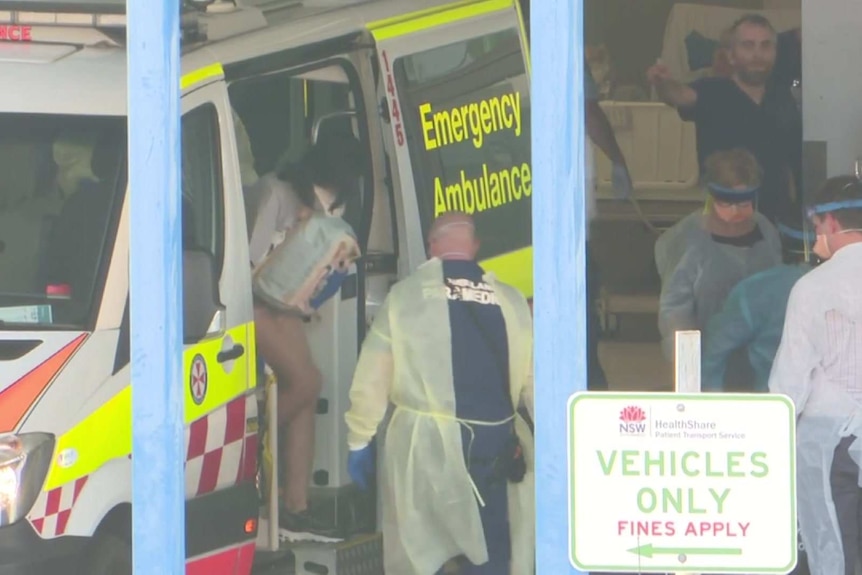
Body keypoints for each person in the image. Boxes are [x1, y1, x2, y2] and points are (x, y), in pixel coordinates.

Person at [344, 212, 534, 575]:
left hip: (423, 446)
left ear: (432, 246)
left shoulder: (405, 297)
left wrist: (359, 440)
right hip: (495, 443)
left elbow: (373, 374)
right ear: (475, 247)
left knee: (422, 548)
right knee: (489, 547)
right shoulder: (510, 301)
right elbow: (534, 381)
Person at [248, 132, 365, 539]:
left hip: (284, 306)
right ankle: (248, 452)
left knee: (308, 387)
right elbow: (247, 255)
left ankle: (295, 504)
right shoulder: (276, 191)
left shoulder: (329, 204)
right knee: (305, 382)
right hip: (252, 302)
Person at [769, 175, 862, 575]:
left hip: (832, 445)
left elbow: (788, 385)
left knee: (834, 549)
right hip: (838, 442)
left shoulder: (813, 287)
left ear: (829, 224)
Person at [647, 14, 802, 225]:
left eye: (765, 46)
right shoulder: (713, 91)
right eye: (748, 46)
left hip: (776, 217)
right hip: (725, 215)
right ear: (731, 55)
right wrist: (662, 82)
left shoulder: (783, 97)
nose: (758, 54)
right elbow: (679, 96)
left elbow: (794, 160)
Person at [656, 148, 781, 360]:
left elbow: (776, 294)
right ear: (711, 197)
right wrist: (688, 362)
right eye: (726, 203)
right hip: (706, 356)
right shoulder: (690, 239)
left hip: (760, 353)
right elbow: (675, 311)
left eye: (743, 203)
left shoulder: (766, 233)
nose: (735, 212)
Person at [701, 216, 813, 392]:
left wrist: (710, 404)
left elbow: (714, 349)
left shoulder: (759, 288)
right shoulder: (849, 283)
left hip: (774, 405)